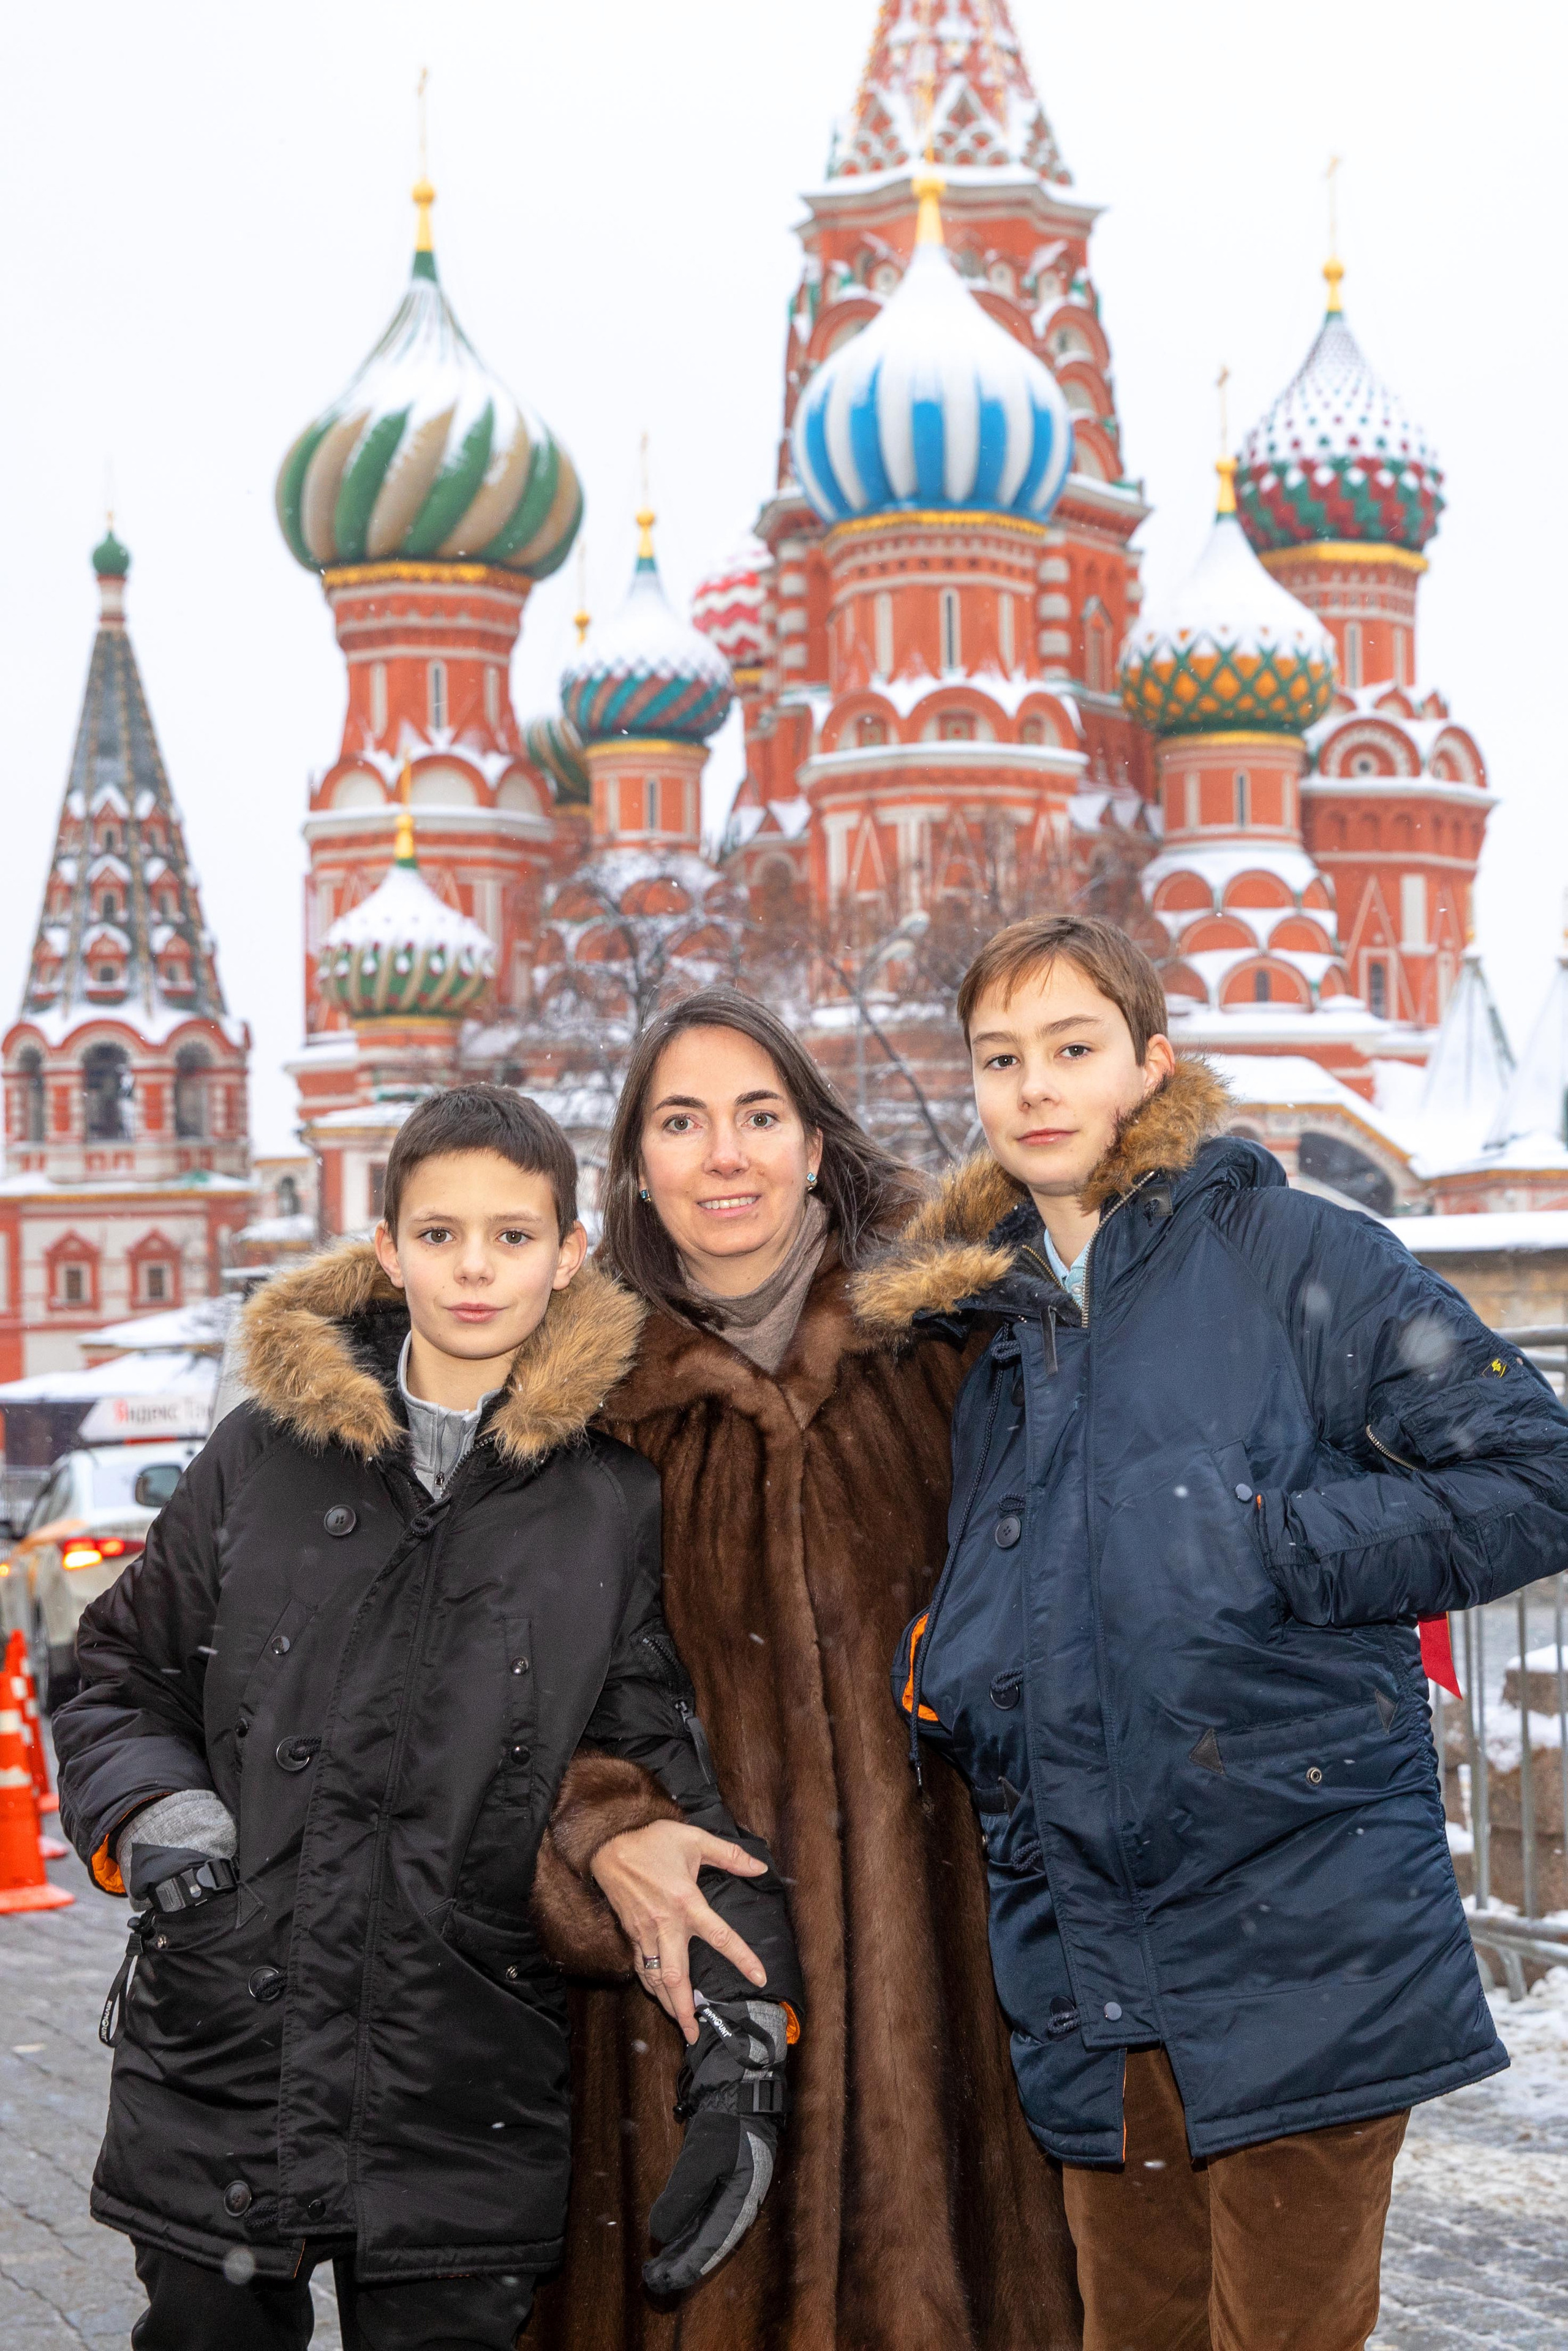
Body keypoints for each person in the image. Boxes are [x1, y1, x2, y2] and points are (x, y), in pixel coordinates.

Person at [850, 913, 1568, 2351]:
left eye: (1072, 1047)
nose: (1033, 1085)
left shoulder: (1290, 1253)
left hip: (1299, 1930)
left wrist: (1272, 1542)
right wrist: (953, 1670)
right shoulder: (982, 1330)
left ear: (1150, 1062)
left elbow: (1533, 1475)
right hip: (1087, 1964)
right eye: (999, 1056)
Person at [53, 1084, 801, 2351]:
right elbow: (117, 1668)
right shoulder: (263, 1453)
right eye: (440, 1233)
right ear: (388, 1247)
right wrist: (157, 1812)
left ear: (567, 1253)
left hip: (457, 2065)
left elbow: (657, 1772)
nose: (473, 1267)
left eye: (512, 1235)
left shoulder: (605, 1501)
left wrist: (744, 2036)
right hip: (228, 2040)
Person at [524, 990, 1081, 2351]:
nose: (724, 1154)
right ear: (634, 1166)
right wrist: (600, 1831)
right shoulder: (570, 1411)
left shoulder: (953, 1351)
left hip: (959, 2012)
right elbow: (497, 1703)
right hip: (682, 2018)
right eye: (681, 1122)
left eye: (758, 1115)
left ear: (815, 1144)